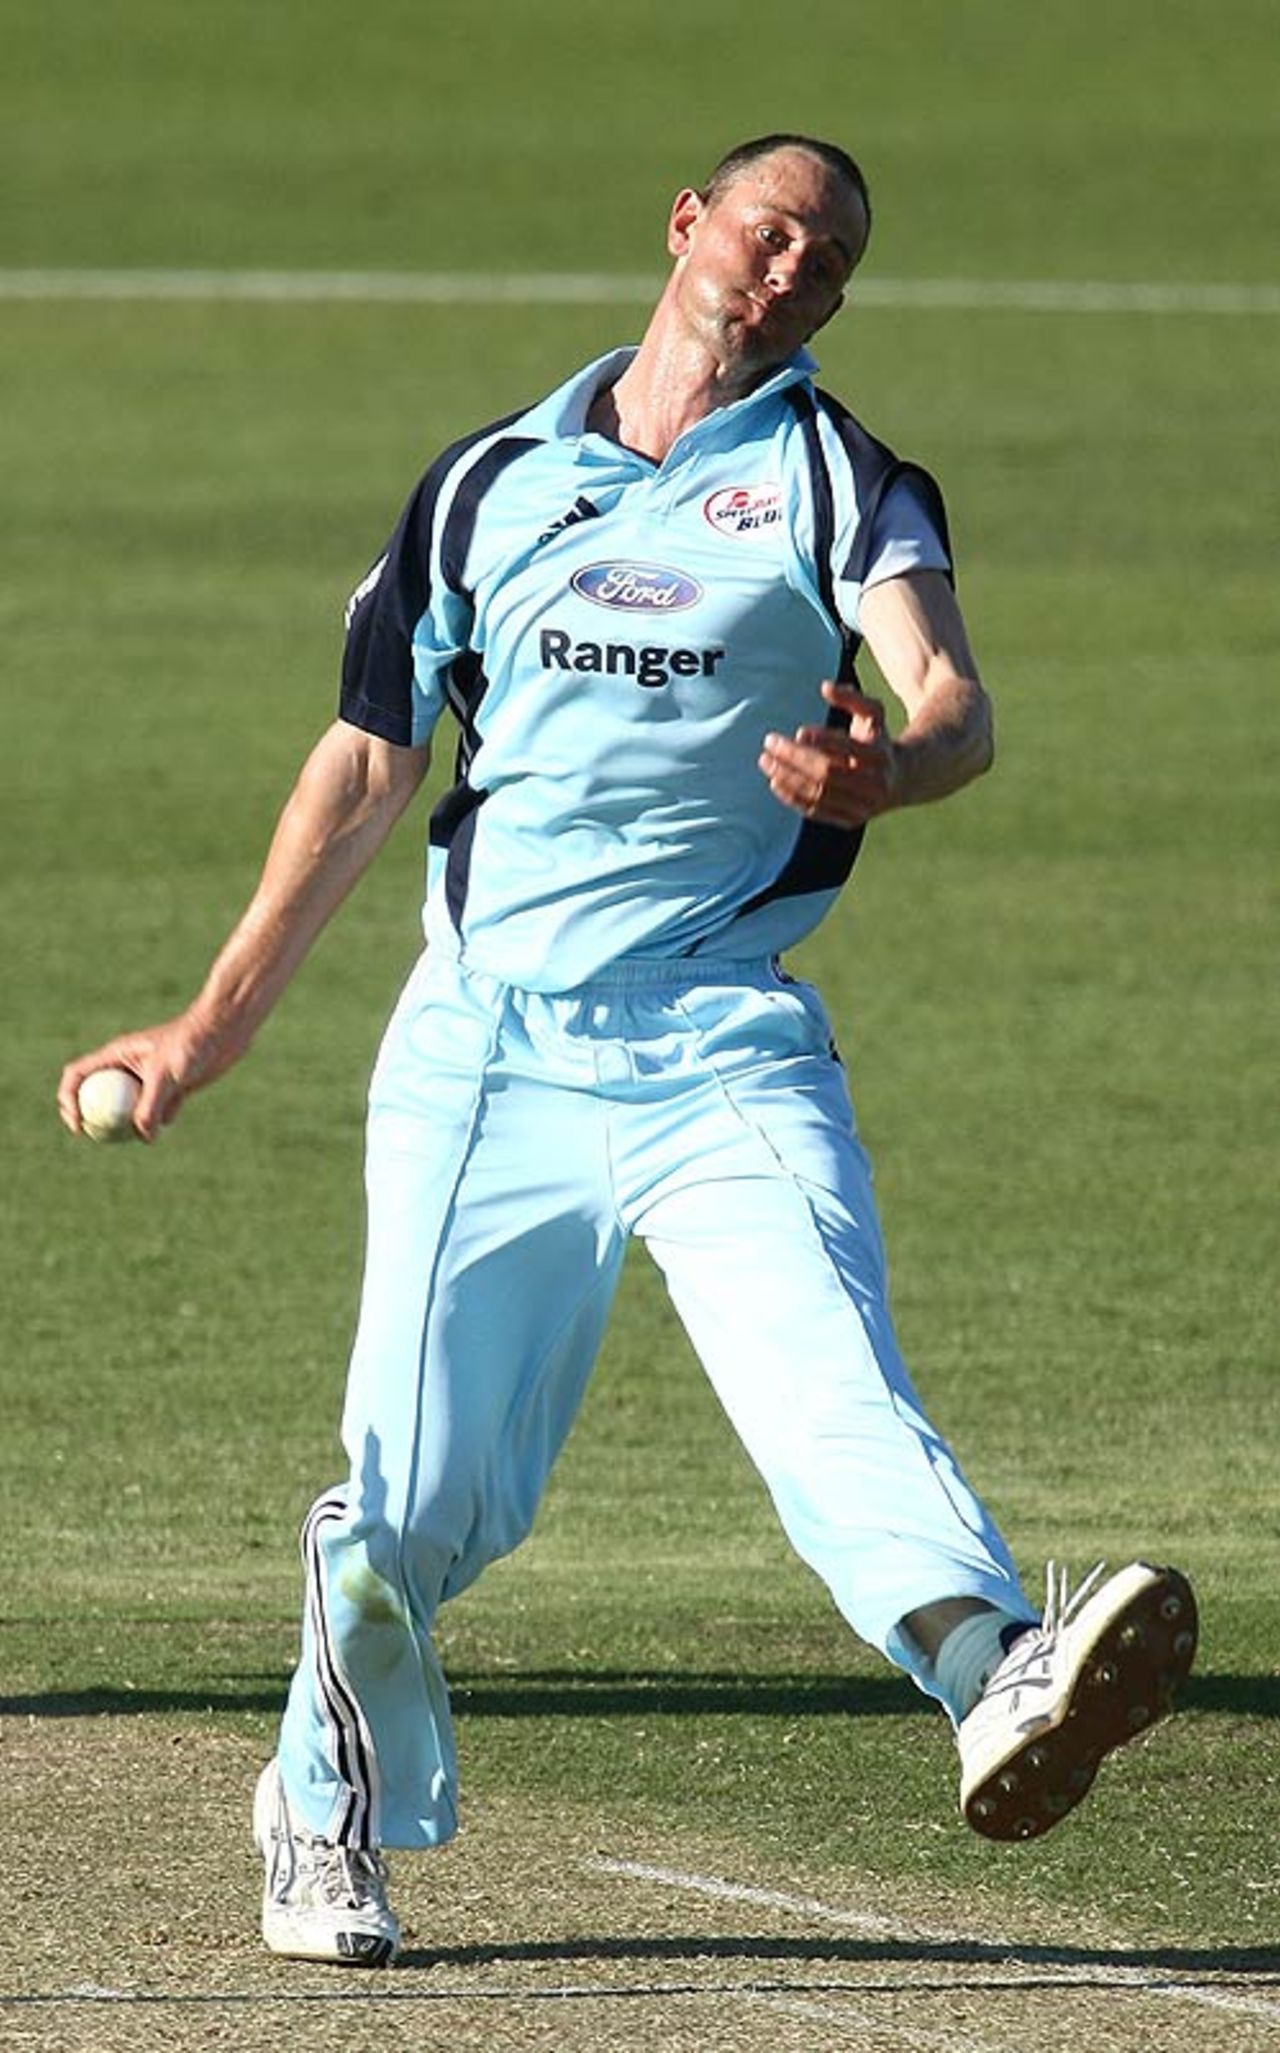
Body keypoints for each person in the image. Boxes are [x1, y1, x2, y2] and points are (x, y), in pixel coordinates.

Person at [58, 135, 1197, 1969]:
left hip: (722, 1044)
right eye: (769, 232)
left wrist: (888, 771)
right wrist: (208, 1025)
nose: (789, 272)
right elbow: (369, 760)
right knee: (411, 1503)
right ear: (688, 225)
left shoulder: (843, 481)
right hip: (486, 1053)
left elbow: (957, 704)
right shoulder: (490, 481)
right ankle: (320, 1806)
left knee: (829, 1388)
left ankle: (1000, 1672)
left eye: (827, 263)